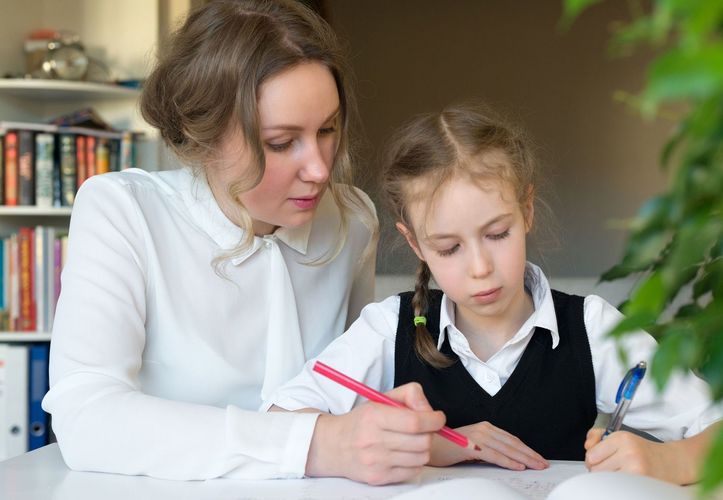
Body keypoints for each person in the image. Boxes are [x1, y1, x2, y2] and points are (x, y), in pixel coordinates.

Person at [42, 0, 447, 484]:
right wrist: (315, 444)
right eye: (281, 142)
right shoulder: (124, 212)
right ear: (206, 134)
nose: (319, 169)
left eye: (328, 129)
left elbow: (349, 386)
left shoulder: (353, 220)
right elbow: (86, 417)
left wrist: (410, 431)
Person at [266, 102, 722, 485]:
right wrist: (425, 444)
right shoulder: (389, 329)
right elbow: (275, 422)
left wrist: (667, 461)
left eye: (498, 234)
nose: (481, 268)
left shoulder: (592, 329)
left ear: (526, 211)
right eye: (449, 248)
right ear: (415, 244)